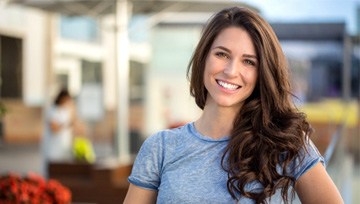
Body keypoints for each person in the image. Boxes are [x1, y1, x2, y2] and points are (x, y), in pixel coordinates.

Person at [124, 7, 344, 204]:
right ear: (204, 57)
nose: (231, 71)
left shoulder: (287, 144)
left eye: (248, 61)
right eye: (222, 54)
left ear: (262, 74)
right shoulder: (160, 148)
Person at [41, 88, 76, 177]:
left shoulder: (65, 110)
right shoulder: (52, 110)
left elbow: (72, 123)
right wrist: (65, 125)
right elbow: (54, 128)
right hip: (53, 145)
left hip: (64, 144)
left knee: (63, 168)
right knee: (53, 168)